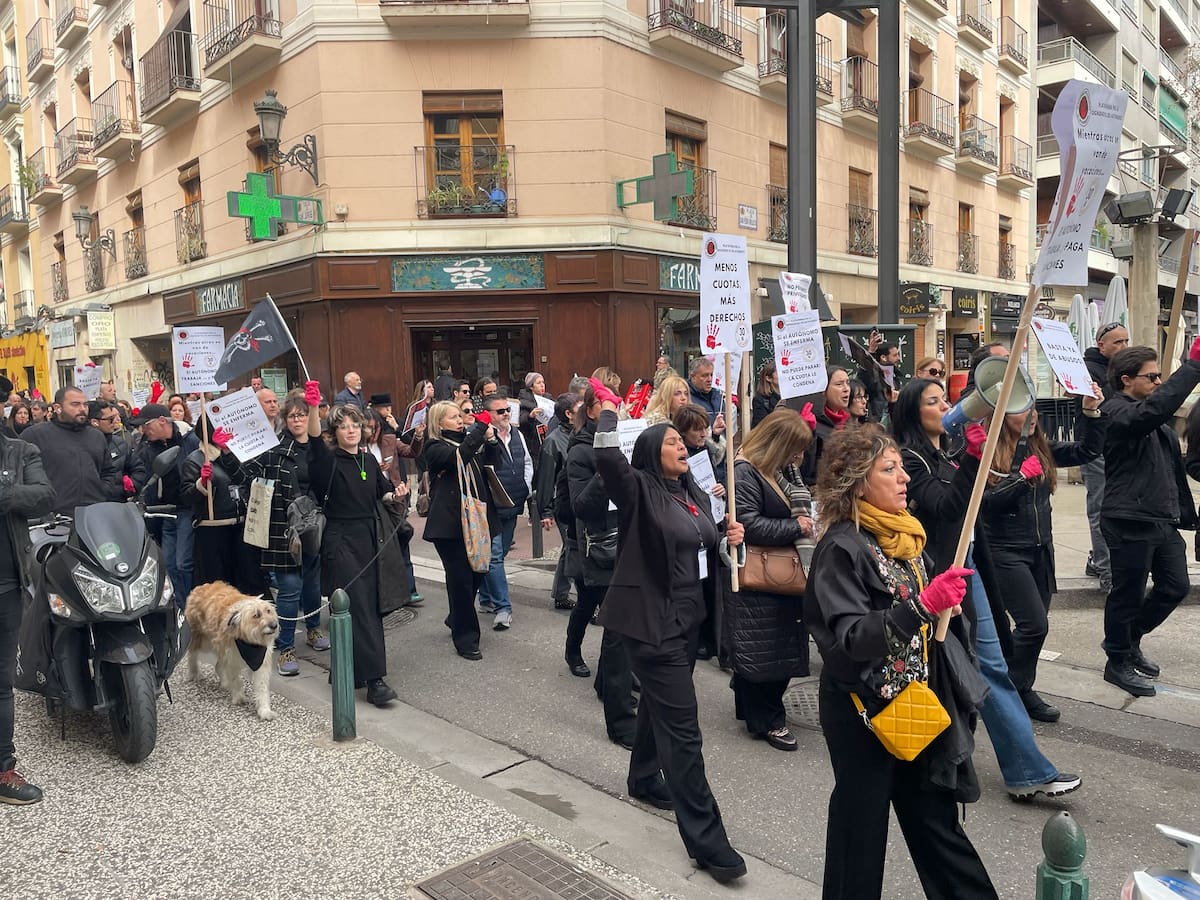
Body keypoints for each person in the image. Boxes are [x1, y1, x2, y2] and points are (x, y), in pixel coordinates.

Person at [806, 424, 998, 900]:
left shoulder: (906, 536)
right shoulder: (842, 547)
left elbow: (955, 518)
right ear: (856, 481)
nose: (904, 478)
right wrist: (923, 605)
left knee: (937, 825)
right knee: (861, 830)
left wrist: (973, 459)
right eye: (888, 470)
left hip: (913, 704)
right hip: (863, 713)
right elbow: (852, 637)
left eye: (901, 468)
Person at [893, 378, 1083, 800]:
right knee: (971, 666)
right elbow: (945, 507)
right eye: (933, 401)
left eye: (945, 397)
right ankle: (1020, 768)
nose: (945, 405)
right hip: (939, 577)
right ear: (912, 411)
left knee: (980, 664)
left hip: (968, 568)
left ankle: (1012, 766)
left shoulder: (948, 450)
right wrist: (974, 462)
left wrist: (980, 461)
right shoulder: (910, 459)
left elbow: (980, 495)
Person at [589, 377, 747, 884]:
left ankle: (641, 777)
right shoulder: (638, 490)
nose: (682, 445)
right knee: (685, 732)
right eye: (673, 442)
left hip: (687, 622)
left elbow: (705, 542)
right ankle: (707, 841)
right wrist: (611, 410)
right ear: (653, 453)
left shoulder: (691, 492)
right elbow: (608, 459)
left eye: (684, 441)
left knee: (660, 707)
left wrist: (728, 534)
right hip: (651, 626)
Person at [979, 384, 1102, 722]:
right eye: (1021, 408)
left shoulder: (1041, 447)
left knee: (1034, 627)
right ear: (1001, 415)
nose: (1031, 415)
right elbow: (984, 504)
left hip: (1040, 550)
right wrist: (1020, 478)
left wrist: (1090, 412)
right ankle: (1009, 691)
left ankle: (1017, 688)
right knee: (1033, 625)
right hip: (1005, 551)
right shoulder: (987, 451)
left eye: (1032, 408)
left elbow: (1087, 451)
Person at [1100, 340, 1200, 696]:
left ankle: (1130, 638)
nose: (1159, 382)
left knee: (1175, 586)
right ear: (1127, 380)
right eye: (1152, 376)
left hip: (1159, 519)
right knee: (1126, 593)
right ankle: (1117, 659)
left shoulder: (1154, 420)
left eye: (1161, 376)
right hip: (1129, 518)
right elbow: (1155, 410)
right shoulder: (1118, 412)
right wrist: (1193, 367)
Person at [727, 409, 814, 751]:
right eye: (795, 450)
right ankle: (766, 719)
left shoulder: (778, 470)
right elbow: (749, 524)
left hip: (780, 575)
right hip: (761, 576)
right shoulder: (747, 473)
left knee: (772, 648)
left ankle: (754, 706)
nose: (800, 458)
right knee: (767, 651)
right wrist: (798, 527)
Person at [310, 404, 404, 706]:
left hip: (371, 538)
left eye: (355, 424)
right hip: (341, 540)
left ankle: (347, 668)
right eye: (343, 425)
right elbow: (313, 441)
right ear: (334, 432)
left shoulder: (368, 458)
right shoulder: (328, 461)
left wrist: (395, 494)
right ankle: (375, 680)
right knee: (360, 607)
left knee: (369, 605)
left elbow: (382, 492)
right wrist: (313, 408)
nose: (350, 429)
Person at [563, 386, 637, 747]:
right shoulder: (579, 451)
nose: (617, 412)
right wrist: (607, 473)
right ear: (592, 412)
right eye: (610, 408)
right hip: (599, 548)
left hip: (625, 542)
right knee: (597, 612)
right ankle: (578, 656)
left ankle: (606, 682)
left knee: (618, 625)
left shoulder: (623, 438)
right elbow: (580, 506)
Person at [238, 389, 328, 677]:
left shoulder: (319, 449)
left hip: (315, 526)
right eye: (292, 416)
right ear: (285, 420)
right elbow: (246, 473)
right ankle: (285, 645)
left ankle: (313, 629)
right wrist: (228, 452)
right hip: (284, 530)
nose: (298, 419)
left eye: (302, 414)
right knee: (290, 589)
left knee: (313, 585)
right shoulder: (275, 449)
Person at [0, 376, 54, 805]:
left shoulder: (20, 452)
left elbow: (42, 496)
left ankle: (3, 769)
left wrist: (3, 493)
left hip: (6, 583)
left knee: (1, 682)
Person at [421, 400, 501, 660]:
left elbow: (492, 463)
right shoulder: (434, 447)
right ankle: (466, 638)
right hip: (449, 524)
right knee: (461, 581)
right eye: (454, 416)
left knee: (479, 571)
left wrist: (490, 440)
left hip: (477, 517)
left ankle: (456, 616)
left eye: (461, 415)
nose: (460, 420)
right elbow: (457, 459)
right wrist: (480, 427)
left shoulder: (468, 440)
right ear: (439, 422)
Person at [180, 423, 265, 598]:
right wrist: (201, 484)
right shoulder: (195, 459)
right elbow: (187, 497)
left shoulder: (234, 455)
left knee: (246, 581)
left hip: (240, 526)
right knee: (217, 587)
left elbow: (245, 480)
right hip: (213, 530)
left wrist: (227, 453)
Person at [1080, 322, 1129, 591]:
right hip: (1098, 447)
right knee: (1100, 507)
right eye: (1117, 342)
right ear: (1101, 345)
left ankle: (1099, 559)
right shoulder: (1089, 370)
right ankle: (1106, 568)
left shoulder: (1122, 369)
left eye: (1126, 341)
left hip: (1119, 445)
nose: (1123, 347)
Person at [476, 394, 532, 630]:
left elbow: (527, 462)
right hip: (492, 507)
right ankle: (503, 607)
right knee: (495, 555)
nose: (506, 414)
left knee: (499, 553)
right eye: (500, 411)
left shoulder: (517, 434)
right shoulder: (480, 438)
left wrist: (526, 487)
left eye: (508, 409)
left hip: (513, 503)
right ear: (489, 415)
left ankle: (487, 598)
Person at [22, 386, 121, 515]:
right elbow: (20, 474)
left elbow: (108, 471)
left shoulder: (96, 436)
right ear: (57, 408)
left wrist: (102, 491)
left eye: (85, 404)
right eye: (75, 404)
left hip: (93, 515)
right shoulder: (35, 435)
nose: (82, 409)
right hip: (52, 520)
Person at [535, 392, 580, 611]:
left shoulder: (582, 433)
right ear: (569, 414)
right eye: (580, 406)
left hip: (580, 501)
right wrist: (545, 511)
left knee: (570, 548)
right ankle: (586, 599)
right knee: (576, 547)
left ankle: (561, 593)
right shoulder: (553, 441)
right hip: (564, 503)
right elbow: (545, 478)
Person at [798, 365, 851, 485]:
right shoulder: (813, 423)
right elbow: (806, 471)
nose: (846, 388)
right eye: (839, 384)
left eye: (847, 383)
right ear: (824, 390)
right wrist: (808, 433)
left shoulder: (851, 423)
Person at [90, 400, 147, 498]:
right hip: (89, 507)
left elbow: (138, 469)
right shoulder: (80, 446)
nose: (115, 421)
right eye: (110, 419)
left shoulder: (120, 444)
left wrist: (129, 487)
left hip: (118, 506)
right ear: (95, 422)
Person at [518, 371, 551, 469]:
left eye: (543, 382)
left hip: (546, 437)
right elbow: (520, 420)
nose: (542, 385)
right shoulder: (523, 401)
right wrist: (530, 416)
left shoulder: (548, 398)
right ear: (531, 387)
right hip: (532, 442)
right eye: (538, 383)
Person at [861, 338, 901, 420]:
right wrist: (871, 352)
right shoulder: (873, 375)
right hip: (875, 422)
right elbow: (864, 377)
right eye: (895, 355)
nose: (898, 358)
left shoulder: (895, 376)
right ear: (883, 357)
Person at [751, 362, 780, 428]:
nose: (782, 375)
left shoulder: (789, 397)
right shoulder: (760, 400)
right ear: (768, 378)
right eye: (778, 372)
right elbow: (762, 425)